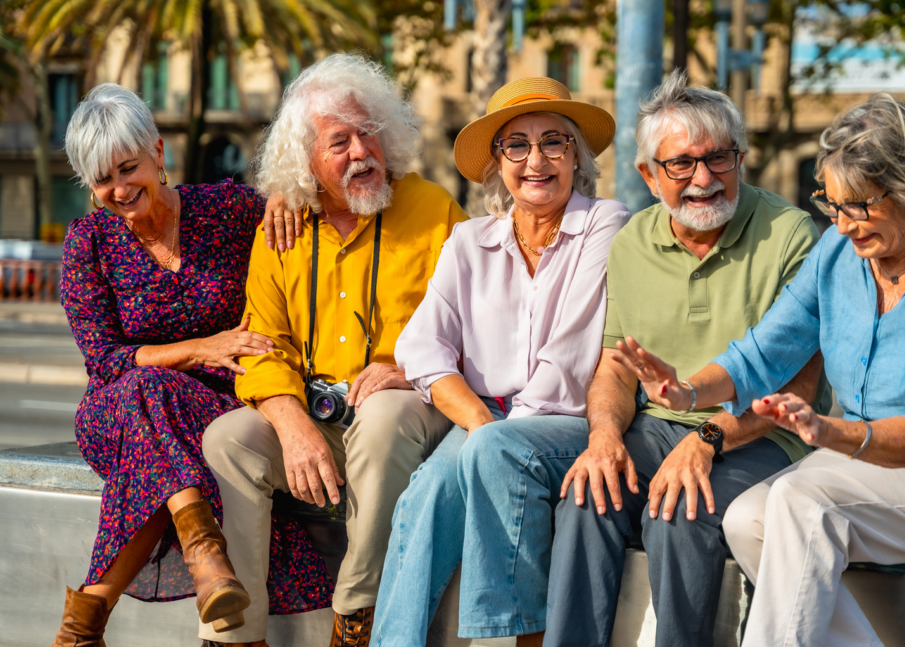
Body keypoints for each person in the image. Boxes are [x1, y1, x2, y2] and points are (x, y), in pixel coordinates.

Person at [634, 94, 905, 646]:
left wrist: (831, 433)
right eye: (832, 204)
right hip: (868, 464)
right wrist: (686, 392)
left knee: (800, 503)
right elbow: (762, 352)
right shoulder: (835, 251)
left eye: (859, 204)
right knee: (746, 520)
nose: (844, 224)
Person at [542, 71, 828, 647]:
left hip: (763, 435)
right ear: (649, 176)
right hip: (656, 426)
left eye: (718, 158)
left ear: (740, 158)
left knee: (679, 509)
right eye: (681, 164)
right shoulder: (631, 242)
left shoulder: (793, 234)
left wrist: (706, 441)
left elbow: (799, 388)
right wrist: (603, 438)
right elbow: (617, 366)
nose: (703, 178)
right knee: (585, 491)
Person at [200, 53, 468, 647]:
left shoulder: (434, 213)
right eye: (339, 141)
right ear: (307, 158)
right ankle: (235, 635)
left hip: (403, 410)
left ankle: (356, 615)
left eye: (369, 132)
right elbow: (261, 341)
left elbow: (472, 326)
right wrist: (290, 419)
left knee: (384, 417)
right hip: (315, 419)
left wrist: (407, 366)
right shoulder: (282, 227)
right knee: (229, 440)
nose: (361, 152)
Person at [371, 77, 630, 647]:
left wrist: (493, 441)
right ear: (497, 162)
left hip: (570, 423)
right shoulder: (469, 240)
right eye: (517, 145)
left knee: (488, 456)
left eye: (554, 142)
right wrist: (481, 425)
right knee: (426, 494)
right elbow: (422, 348)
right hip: (486, 417)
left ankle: (517, 639)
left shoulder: (604, 224)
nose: (535, 160)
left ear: (576, 157)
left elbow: (569, 357)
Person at [54, 83, 303, 646]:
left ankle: (84, 623)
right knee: (146, 388)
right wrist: (202, 347)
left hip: (215, 408)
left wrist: (286, 193)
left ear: (158, 153)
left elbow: (298, 220)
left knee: (153, 419)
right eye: (102, 179)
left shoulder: (227, 209)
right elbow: (104, 362)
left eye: (128, 167)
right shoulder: (87, 242)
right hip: (119, 411)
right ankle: (204, 553)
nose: (119, 188)